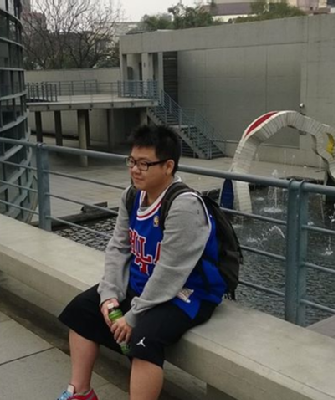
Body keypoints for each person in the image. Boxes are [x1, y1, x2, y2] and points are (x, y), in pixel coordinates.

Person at [57, 125, 227, 400]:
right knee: (82, 310)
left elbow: (171, 272)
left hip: (188, 293)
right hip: (146, 283)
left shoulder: (184, 206)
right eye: (132, 161)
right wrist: (109, 295)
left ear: (168, 166)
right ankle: (80, 392)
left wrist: (133, 315)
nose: (135, 170)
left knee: (143, 340)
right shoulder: (132, 195)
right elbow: (119, 247)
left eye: (144, 164)